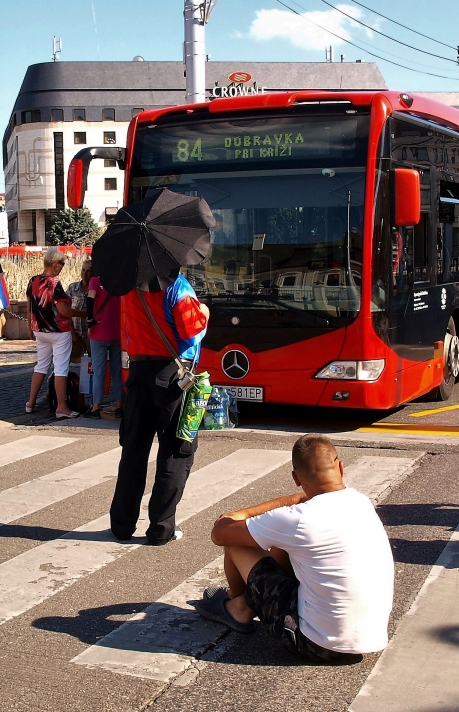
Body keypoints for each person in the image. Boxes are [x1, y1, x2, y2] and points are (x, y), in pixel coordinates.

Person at [199, 434, 393, 664]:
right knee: (288, 543)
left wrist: (238, 515)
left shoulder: (301, 519)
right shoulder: (360, 502)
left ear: (295, 478)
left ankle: (237, 605)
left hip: (314, 643)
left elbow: (220, 533)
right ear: (341, 467)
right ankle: (246, 603)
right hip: (368, 639)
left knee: (237, 540)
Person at [111, 271, 209, 545]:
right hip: (173, 374)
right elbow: (191, 328)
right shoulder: (176, 285)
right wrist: (205, 312)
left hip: (139, 371)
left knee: (133, 450)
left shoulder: (130, 287)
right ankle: (161, 527)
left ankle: (121, 525)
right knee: (176, 451)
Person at [23, 249, 82, 419]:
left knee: (41, 365)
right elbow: (63, 310)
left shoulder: (33, 280)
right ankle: (62, 407)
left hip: (39, 330)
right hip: (57, 331)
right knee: (61, 368)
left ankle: (31, 402)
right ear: (55, 265)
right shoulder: (54, 283)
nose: (62, 267)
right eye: (62, 264)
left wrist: (30, 327)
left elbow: (29, 307)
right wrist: (84, 313)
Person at [86, 262, 122, 417]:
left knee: (99, 371)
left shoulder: (95, 281)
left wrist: (89, 321)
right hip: (117, 332)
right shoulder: (120, 282)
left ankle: (96, 406)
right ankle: (119, 405)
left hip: (99, 331)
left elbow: (90, 300)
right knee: (117, 371)